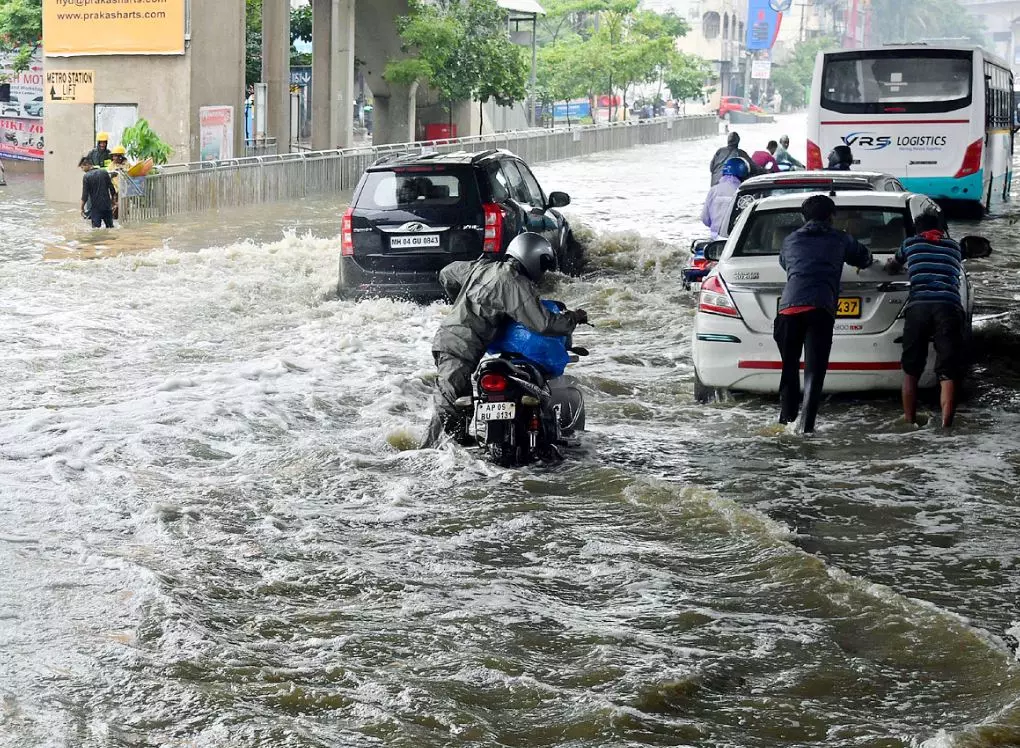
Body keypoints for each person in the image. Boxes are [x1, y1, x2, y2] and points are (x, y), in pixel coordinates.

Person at [423, 233, 588, 447]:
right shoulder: (514, 283)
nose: (544, 272)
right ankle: (427, 452)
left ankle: (457, 450)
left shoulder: (483, 267)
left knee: (461, 405)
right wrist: (574, 317)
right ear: (534, 258)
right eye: (543, 265)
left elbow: (447, 273)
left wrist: (462, 302)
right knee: (449, 406)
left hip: (452, 340)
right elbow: (544, 324)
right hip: (458, 347)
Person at [775, 195, 873, 433]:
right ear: (832, 216)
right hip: (820, 310)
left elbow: (784, 263)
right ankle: (806, 430)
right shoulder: (839, 238)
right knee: (814, 372)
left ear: (803, 217)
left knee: (789, 370)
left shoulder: (790, 240)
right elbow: (864, 257)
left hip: (788, 310)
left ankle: (785, 423)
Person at [884, 212, 966, 428]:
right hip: (948, 306)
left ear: (916, 229)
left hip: (918, 306)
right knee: (948, 369)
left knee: (911, 369)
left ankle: (910, 420)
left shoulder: (910, 244)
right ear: (940, 227)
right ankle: (946, 425)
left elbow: (892, 266)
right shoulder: (954, 247)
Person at [701, 157, 749, 238]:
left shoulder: (713, 190)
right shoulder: (743, 191)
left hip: (715, 239)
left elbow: (705, 218)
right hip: (735, 238)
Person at [79, 156, 117, 228]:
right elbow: (112, 189)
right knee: (110, 227)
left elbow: (85, 195)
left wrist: (81, 208)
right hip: (107, 206)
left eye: (82, 167)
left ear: (87, 165)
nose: (82, 170)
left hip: (96, 208)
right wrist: (114, 202)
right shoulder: (104, 172)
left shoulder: (86, 176)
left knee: (96, 230)